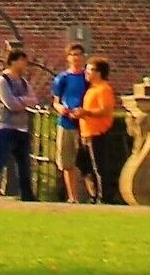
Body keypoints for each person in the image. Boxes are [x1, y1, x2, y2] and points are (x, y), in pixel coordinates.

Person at [0, 46, 37, 202]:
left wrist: (22, 101)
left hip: (21, 126)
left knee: (24, 163)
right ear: (13, 61)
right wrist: (23, 101)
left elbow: (34, 100)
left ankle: (27, 194)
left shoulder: (23, 82)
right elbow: (10, 103)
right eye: (22, 61)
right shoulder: (2, 80)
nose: (25, 64)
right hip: (5, 125)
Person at [80, 55, 128, 205]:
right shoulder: (91, 90)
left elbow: (105, 110)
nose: (87, 73)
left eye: (90, 70)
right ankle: (94, 194)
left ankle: (104, 196)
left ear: (99, 72)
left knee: (99, 166)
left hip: (98, 133)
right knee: (85, 165)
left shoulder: (103, 89)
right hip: (87, 132)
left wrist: (85, 113)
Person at [50, 43, 93, 203]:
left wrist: (83, 111)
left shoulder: (87, 78)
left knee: (86, 162)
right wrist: (60, 108)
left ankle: (93, 195)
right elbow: (56, 101)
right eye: (73, 54)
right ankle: (72, 196)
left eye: (79, 55)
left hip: (83, 123)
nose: (76, 58)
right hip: (66, 122)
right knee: (67, 162)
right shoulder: (62, 78)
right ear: (68, 58)